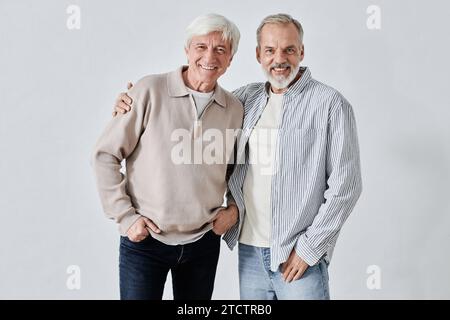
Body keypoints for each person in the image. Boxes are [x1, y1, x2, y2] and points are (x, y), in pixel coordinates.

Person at [114, 13, 362, 300]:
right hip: (250, 253)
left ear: (302, 52)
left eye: (289, 50)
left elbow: (347, 187)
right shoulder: (244, 100)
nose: (279, 59)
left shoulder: (331, 105)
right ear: (258, 54)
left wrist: (310, 249)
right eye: (270, 50)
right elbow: (194, 107)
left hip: (297, 255)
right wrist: (132, 103)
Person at [91, 13, 243, 300]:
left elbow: (239, 171)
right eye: (201, 47)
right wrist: (126, 218)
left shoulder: (234, 108)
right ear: (187, 50)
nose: (210, 56)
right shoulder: (149, 90)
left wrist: (232, 211)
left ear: (230, 58)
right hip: (146, 242)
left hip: (202, 242)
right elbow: (105, 155)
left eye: (220, 49)